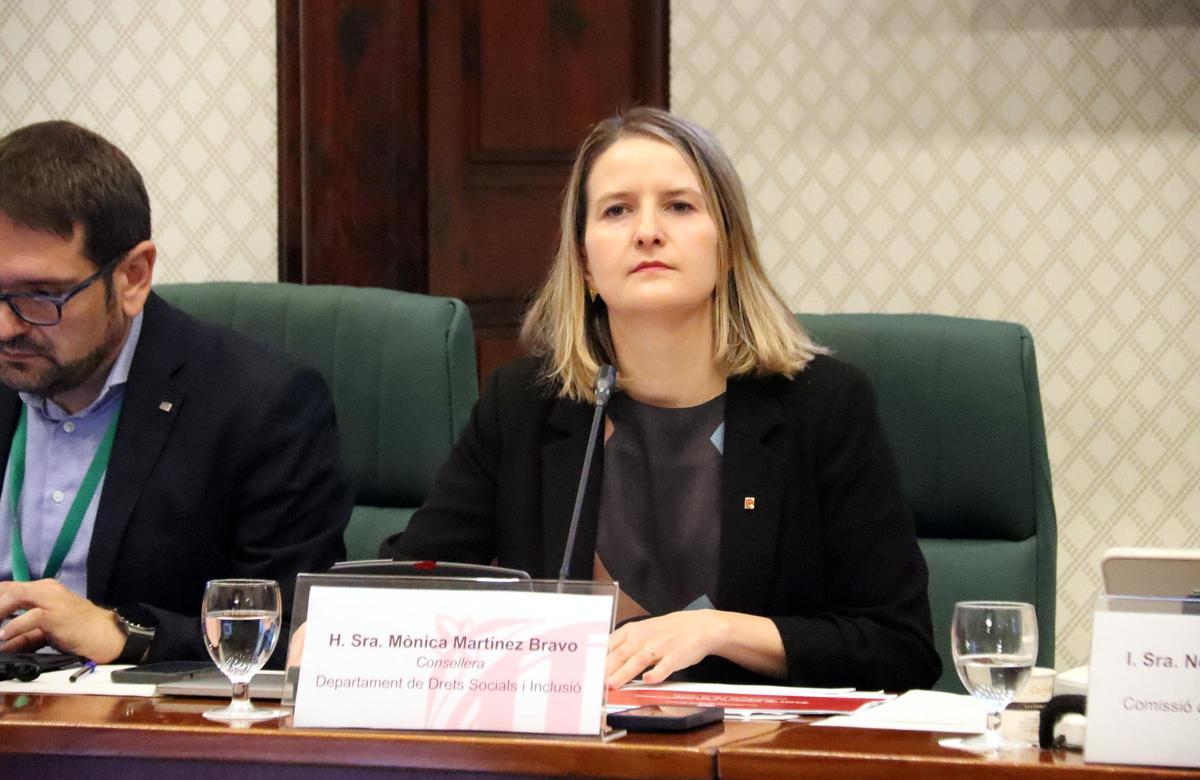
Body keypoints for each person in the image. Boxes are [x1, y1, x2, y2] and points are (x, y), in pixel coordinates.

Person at [381, 108, 939, 692]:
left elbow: (899, 647)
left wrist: (718, 631)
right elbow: (413, 580)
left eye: (679, 205)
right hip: (578, 762)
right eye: (617, 209)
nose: (647, 231)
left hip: (757, 767)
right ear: (585, 263)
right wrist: (326, 629)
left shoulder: (822, 407)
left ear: (727, 246)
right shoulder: (524, 405)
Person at [0, 121, 353, 665]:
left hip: (142, 726)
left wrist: (128, 636)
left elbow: (302, 638)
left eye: (41, 296)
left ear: (133, 277)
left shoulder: (262, 405)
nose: (6, 327)